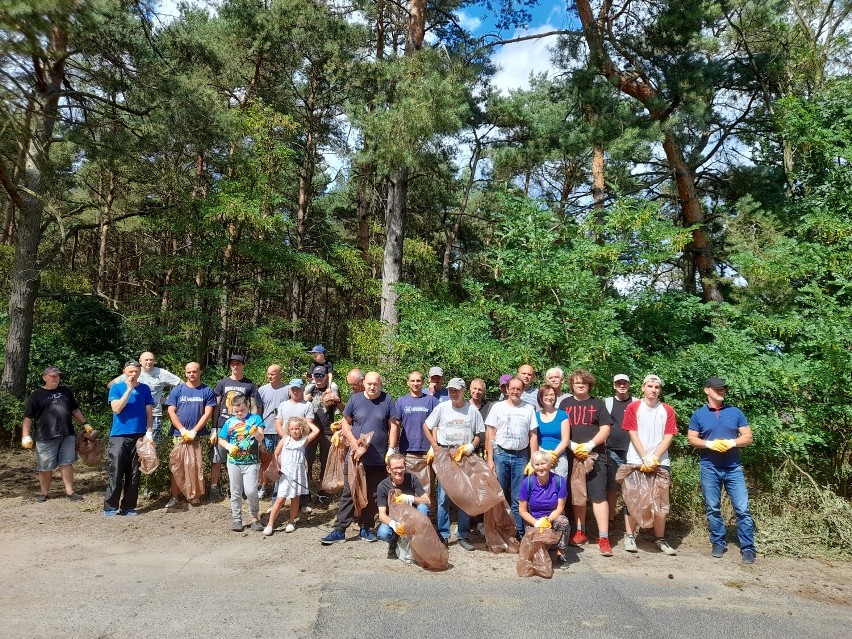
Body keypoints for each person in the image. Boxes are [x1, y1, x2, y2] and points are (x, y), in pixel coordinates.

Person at [321, 371, 399, 545]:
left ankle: (366, 527)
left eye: (376, 384)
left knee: (372, 494)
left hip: (378, 457)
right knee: (350, 492)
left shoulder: (387, 400)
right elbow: (345, 423)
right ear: (364, 383)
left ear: (381, 384)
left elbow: (393, 426)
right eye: (369, 384)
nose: (372, 387)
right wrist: (354, 444)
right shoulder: (355, 400)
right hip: (356, 457)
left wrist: (392, 449)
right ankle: (340, 530)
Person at [688, 377, 756, 564]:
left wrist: (731, 442)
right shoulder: (699, 414)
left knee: (742, 509)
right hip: (709, 467)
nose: (721, 391)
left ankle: (748, 548)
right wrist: (709, 444)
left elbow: (748, 437)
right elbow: (692, 438)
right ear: (706, 390)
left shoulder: (735, 412)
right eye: (717, 388)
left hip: (733, 468)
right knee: (713, 508)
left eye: (723, 389)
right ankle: (718, 542)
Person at [423, 377, 485, 551]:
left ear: (464, 391)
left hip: (463, 455)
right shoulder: (442, 408)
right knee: (443, 497)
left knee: (463, 496)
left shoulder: (472, 411)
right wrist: (435, 447)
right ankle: (443, 536)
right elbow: (426, 426)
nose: (453, 392)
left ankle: (463, 535)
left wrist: (472, 446)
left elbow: (480, 432)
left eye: (456, 390)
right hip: (445, 454)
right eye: (450, 389)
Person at [559, 369, 614, 556]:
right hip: (573, 456)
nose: (580, 385)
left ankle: (604, 537)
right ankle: (580, 532)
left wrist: (590, 445)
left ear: (589, 384)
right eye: (576, 382)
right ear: (571, 385)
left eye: (583, 382)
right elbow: (560, 427)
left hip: (596, 457)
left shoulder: (598, 404)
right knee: (578, 496)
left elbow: (605, 429)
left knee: (599, 496)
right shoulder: (565, 404)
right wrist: (572, 445)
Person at [621, 375, 677, 555]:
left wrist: (655, 457)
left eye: (657, 387)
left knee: (660, 503)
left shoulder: (667, 410)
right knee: (632, 500)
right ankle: (630, 537)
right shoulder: (633, 407)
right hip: (636, 461)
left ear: (660, 390)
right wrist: (645, 457)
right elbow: (632, 432)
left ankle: (660, 539)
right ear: (643, 388)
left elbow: (669, 435)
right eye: (650, 386)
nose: (653, 390)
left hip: (661, 462)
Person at [21, 366, 92, 502]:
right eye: (52, 376)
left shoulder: (65, 391)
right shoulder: (36, 395)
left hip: (67, 434)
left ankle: (70, 492)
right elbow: (28, 417)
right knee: (45, 467)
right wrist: (25, 435)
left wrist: (85, 424)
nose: (56, 378)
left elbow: (75, 410)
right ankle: (44, 493)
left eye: (57, 376)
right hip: (45, 436)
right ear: (44, 378)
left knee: (67, 463)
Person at [485, 376, 538, 538]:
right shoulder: (497, 407)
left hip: (521, 457)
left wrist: (533, 460)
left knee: (518, 498)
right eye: (512, 388)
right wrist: (490, 459)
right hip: (500, 454)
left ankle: (518, 533)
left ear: (522, 391)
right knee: (499, 496)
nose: (515, 391)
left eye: (519, 389)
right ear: (507, 390)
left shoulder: (528, 409)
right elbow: (490, 434)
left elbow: (533, 436)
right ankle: (498, 532)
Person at [163, 362, 216, 508]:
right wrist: (182, 430)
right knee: (177, 466)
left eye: (194, 371)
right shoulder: (177, 390)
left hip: (199, 436)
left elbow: (208, 413)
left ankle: (195, 496)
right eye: (189, 372)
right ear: (185, 373)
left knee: (197, 467)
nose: (192, 374)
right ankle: (174, 497)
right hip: (178, 435)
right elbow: (171, 411)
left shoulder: (207, 391)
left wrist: (194, 431)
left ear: (200, 372)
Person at [104, 360, 154, 516]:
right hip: (119, 436)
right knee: (116, 472)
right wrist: (129, 390)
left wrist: (149, 432)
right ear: (124, 371)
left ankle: (128, 507)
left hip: (139, 436)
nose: (133, 374)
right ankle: (111, 507)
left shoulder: (145, 389)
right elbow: (117, 409)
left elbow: (149, 412)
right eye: (130, 371)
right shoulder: (116, 388)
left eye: (136, 372)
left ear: (140, 372)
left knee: (134, 473)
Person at [210, 354, 262, 502]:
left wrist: (253, 424)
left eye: (238, 364)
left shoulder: (249, 384)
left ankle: (246, 489)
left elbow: (253, 406)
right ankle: (214, 488)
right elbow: (216, 406)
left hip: (244, 429)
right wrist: (214, 427)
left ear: (243, 365)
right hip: (224, 425)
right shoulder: (222, 383)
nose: (235, 366)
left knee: (245, 456)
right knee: (217, 459)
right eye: (233, 364)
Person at [264, 416, 320, 536]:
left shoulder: (304, 440)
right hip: (286, 473)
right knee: (280, 498)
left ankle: (291, 522)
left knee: (296, 498)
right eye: (292, 429)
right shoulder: (285, 439)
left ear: (301, 429)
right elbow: (275, 453)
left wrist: (305, 421)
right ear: (288, 429)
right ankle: (270, 524)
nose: (294, 431)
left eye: (297, 428)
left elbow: (316, 431)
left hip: (298, 473)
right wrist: (276, 466)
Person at [108, 352, 180, 445]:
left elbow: (181, 385)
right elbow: (111, 385)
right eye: (146, 360)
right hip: (133, 416)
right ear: (140, 361)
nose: (149, 362)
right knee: (135, 447)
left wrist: (167, 399)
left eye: (151, 359)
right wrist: (123, 393)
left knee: (152, 447)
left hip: (154, 414)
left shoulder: (162, 373)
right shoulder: (133, 371)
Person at [217, 394, 265, 532]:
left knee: (250, 491)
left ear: (247, 407)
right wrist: (229, 447)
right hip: (233, 462)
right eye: (236, 411)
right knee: (236, 492)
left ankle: (255, 517)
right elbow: (221, 439)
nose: (239, 414)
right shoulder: (229, 422)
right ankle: (237, 519)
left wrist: (255, 433)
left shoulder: (256, 419)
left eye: (242, 411)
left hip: (251, 462)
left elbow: (261, 438)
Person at [391, 370, 438, 501]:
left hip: (426, 453)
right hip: (407, 452)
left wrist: (433, 447)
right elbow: (396, 425)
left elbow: (437, 425)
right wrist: (392, 448)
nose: (415, 383)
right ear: (408, 383)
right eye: (412, 380)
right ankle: (409, 517)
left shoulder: (431, 401)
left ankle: (430, 519)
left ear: (423, 383)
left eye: (418, 381)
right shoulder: (401, 401)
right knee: (407, 488)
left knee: (429, 489)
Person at [518, 450, 571, 563]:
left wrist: (547, 521)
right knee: (537, 558)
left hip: (552, 517)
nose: (540, 468)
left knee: (563, 521)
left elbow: (560, 508)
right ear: (533, 466)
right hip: (534, 520)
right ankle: (545, 546)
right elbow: (522, 510)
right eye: (537, 464)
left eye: (543, 463)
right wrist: (537, 523)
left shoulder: (559, 481)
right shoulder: (527, 483)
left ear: (550, 464)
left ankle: (561, 553)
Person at [375, 452, 430, 561]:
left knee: (423, 508)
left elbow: (428, 501)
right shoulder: (382, 486)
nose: (399, 471)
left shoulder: (412, 479)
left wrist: (410, 498)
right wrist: (393, 524)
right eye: (395, 468)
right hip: (394, 517)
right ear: (388, 469)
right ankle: (393, 542)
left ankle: (416, 543)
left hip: (411, 517)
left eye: (401, 467)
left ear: (405, 467)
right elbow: (381, 515)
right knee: (382, 533)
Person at [274, 379, 316, 512]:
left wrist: (298, 439)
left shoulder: (307, 405)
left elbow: (309, 424)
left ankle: (302, 503)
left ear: (302, 389)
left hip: (301, 442)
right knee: (281, 470)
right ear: (289, 390)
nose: (295, 391)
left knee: (302, 470)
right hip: (285, 442)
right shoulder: (283, 405)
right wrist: (285, 438)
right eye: (293, 389)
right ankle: (276, 500)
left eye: (297, 389)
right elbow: (278, 423)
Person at [605, 374, 639, 524]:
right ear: (614, 385)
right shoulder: (608, 402)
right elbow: (603, 425)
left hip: (634, 451)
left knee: (633, 488)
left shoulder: (637, 402)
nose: (622, 385)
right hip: (613, 450)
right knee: (612, 487)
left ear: (629, 385)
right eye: (619, 383)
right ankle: (611, 519)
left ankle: (633, 520)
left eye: (624, 383)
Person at [304, 365, 340, 503]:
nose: (319, 378)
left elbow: (342, 410)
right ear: (313, 376)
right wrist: (305, 399)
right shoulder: (310, 390)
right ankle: (305, 491)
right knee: (307, 461)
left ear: (326, 376)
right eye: (316, 375)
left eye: (321, 375)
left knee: (326, 462)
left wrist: (337, 400)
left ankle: (322, 490)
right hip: (310, 431)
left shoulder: (332, 390)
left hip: (327, 431)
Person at [257, 364, 291, 498]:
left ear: (279, 374)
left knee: (282, 460)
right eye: (269, 373)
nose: (270, 376)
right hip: (266, 430)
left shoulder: (287, 389)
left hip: (283, 431)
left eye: (273, 373)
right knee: (265, 459)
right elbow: (258, 410)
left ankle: (280, 489)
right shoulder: (262, 390)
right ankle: (262, 487)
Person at [535, 386, 571, 478]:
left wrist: (553, 455)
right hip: (540, 456)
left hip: (559, 456)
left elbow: (565, 440)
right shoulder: (535, 416)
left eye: (552, 395)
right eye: (546, 395)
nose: (549, 397)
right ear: (540, 397)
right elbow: (533, 438)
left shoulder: (562, 415)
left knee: (559, 486)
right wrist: (543, 455)